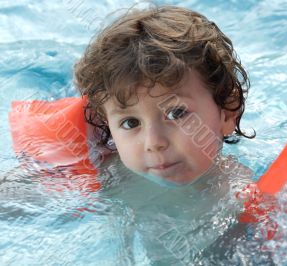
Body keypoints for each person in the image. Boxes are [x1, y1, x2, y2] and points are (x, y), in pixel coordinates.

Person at [73, 5, 256, 264]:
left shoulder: (235, 194)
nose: (154, 143)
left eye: (177, 113)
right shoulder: (108, 174)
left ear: (227, 112)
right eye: (130, 123)